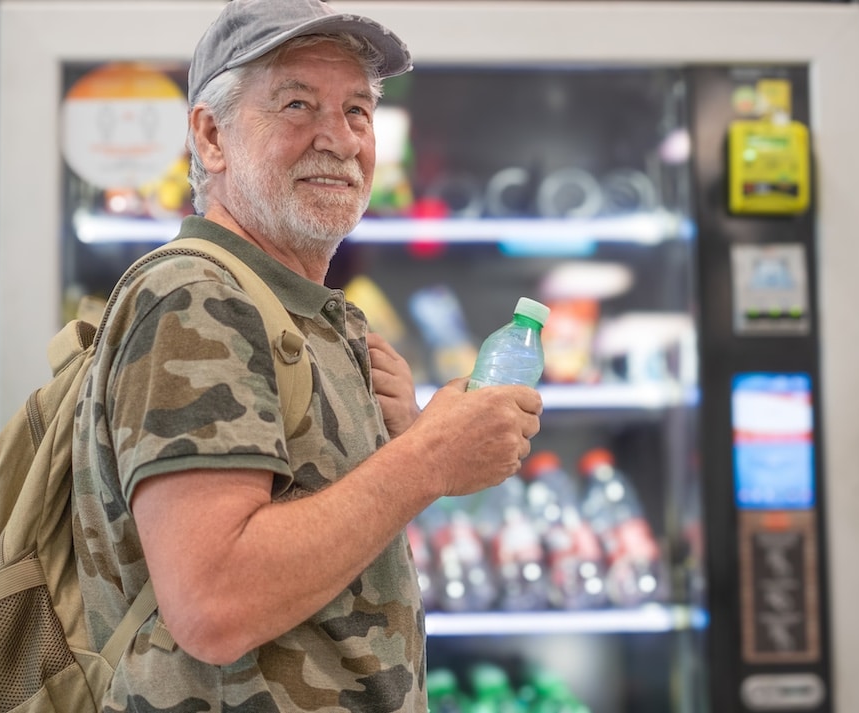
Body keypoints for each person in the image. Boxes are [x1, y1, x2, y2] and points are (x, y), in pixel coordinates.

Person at [71, 1, 542, 711]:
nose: (340, 138)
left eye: (357, 110)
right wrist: (428, 460)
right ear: (211, 135)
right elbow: (213, 601)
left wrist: (408, 440)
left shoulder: (306, 314)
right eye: (297, 104)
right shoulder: (194, 295)